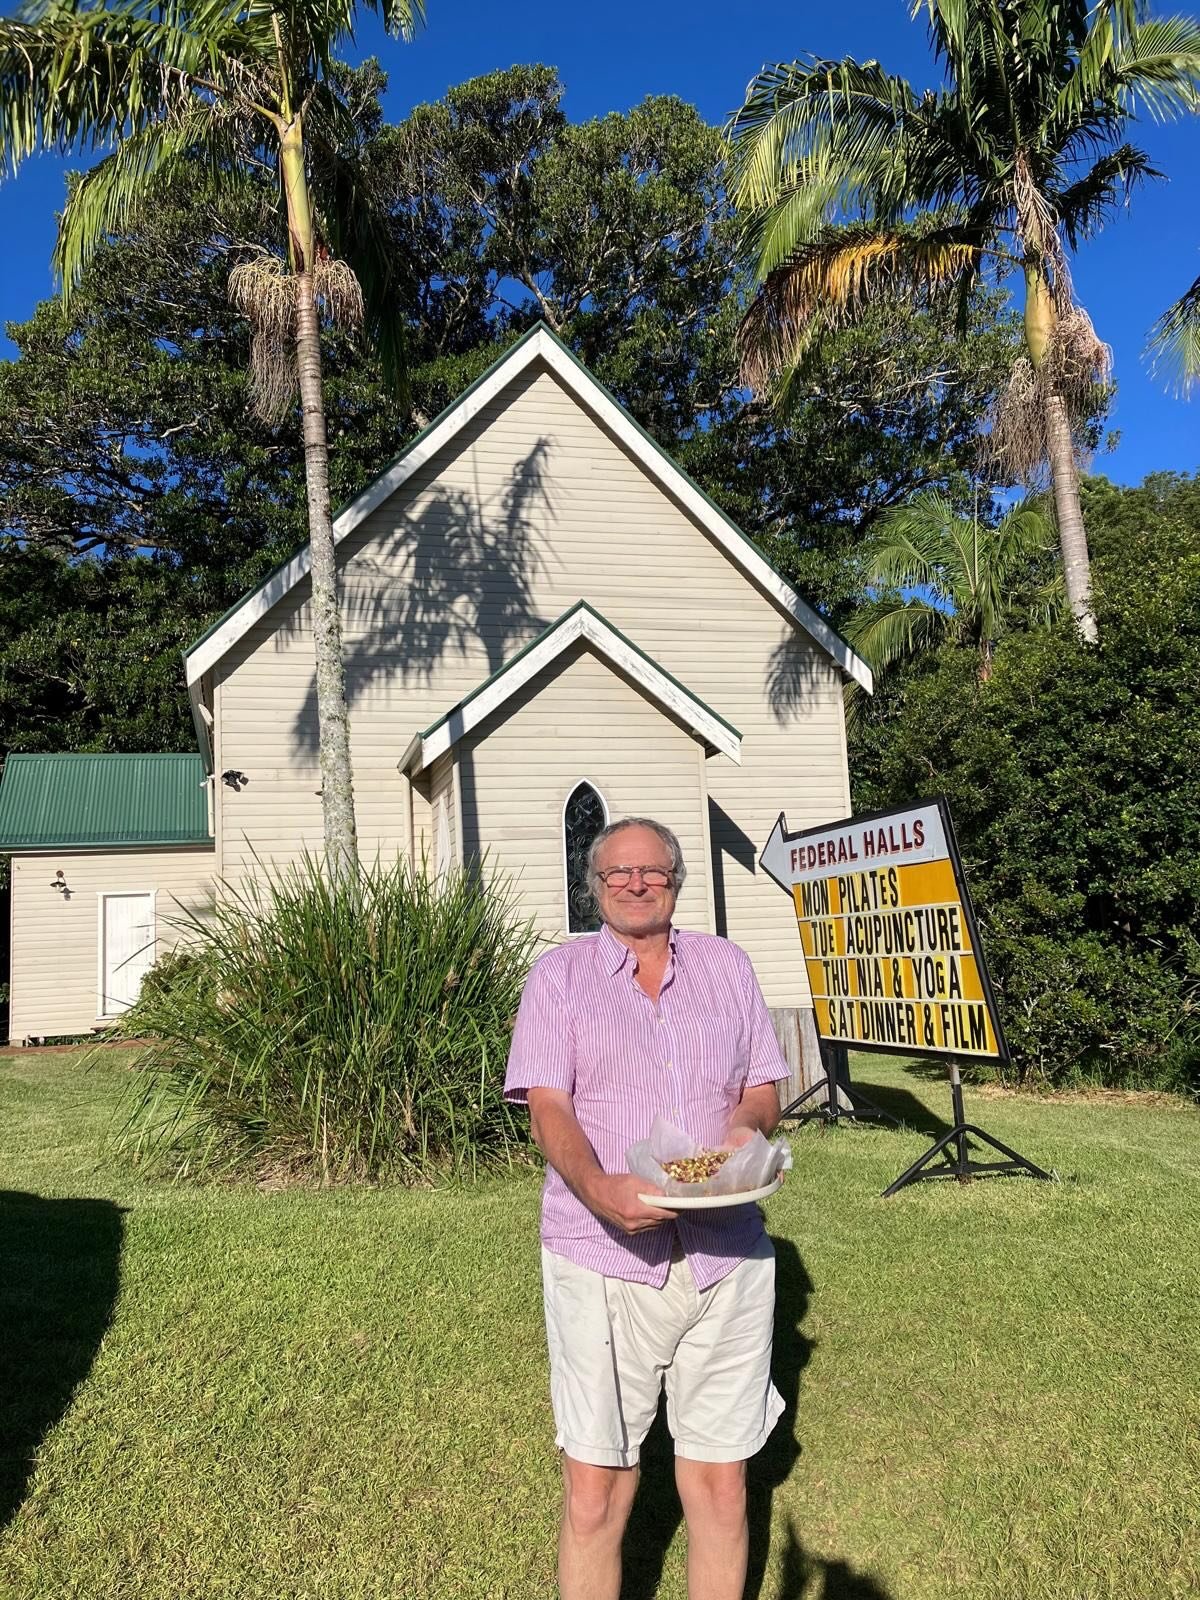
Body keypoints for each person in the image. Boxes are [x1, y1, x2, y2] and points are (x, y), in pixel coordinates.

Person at [504, 816, 791, 1600]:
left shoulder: (729, 968)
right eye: (617, 873)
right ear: (594, 887)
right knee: (597, 1492)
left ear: (675, 880)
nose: (635, 884)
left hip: (726, 1248)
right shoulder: (557, 979)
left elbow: (763, 1085)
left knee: (722, 1484)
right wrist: (599, 1190)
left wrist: (744, 1131)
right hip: (600, 1256)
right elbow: (548, 1107)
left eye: (651, 871)